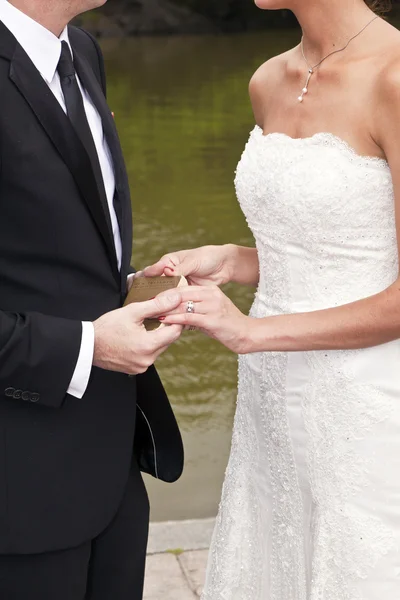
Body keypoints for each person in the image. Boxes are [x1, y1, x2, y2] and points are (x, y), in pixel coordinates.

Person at [144, 0, 400, 597]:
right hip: (270, 389)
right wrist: (234, 260)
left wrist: (248, 334)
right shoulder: (267, 80)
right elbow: (329, 249)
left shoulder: (394, 75)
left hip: (366, 397)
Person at [0, 1, 185, 599]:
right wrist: (87, 346)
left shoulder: (81, 51)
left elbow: (51, 240)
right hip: (18, 483)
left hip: (109, 466)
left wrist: (134, 284)